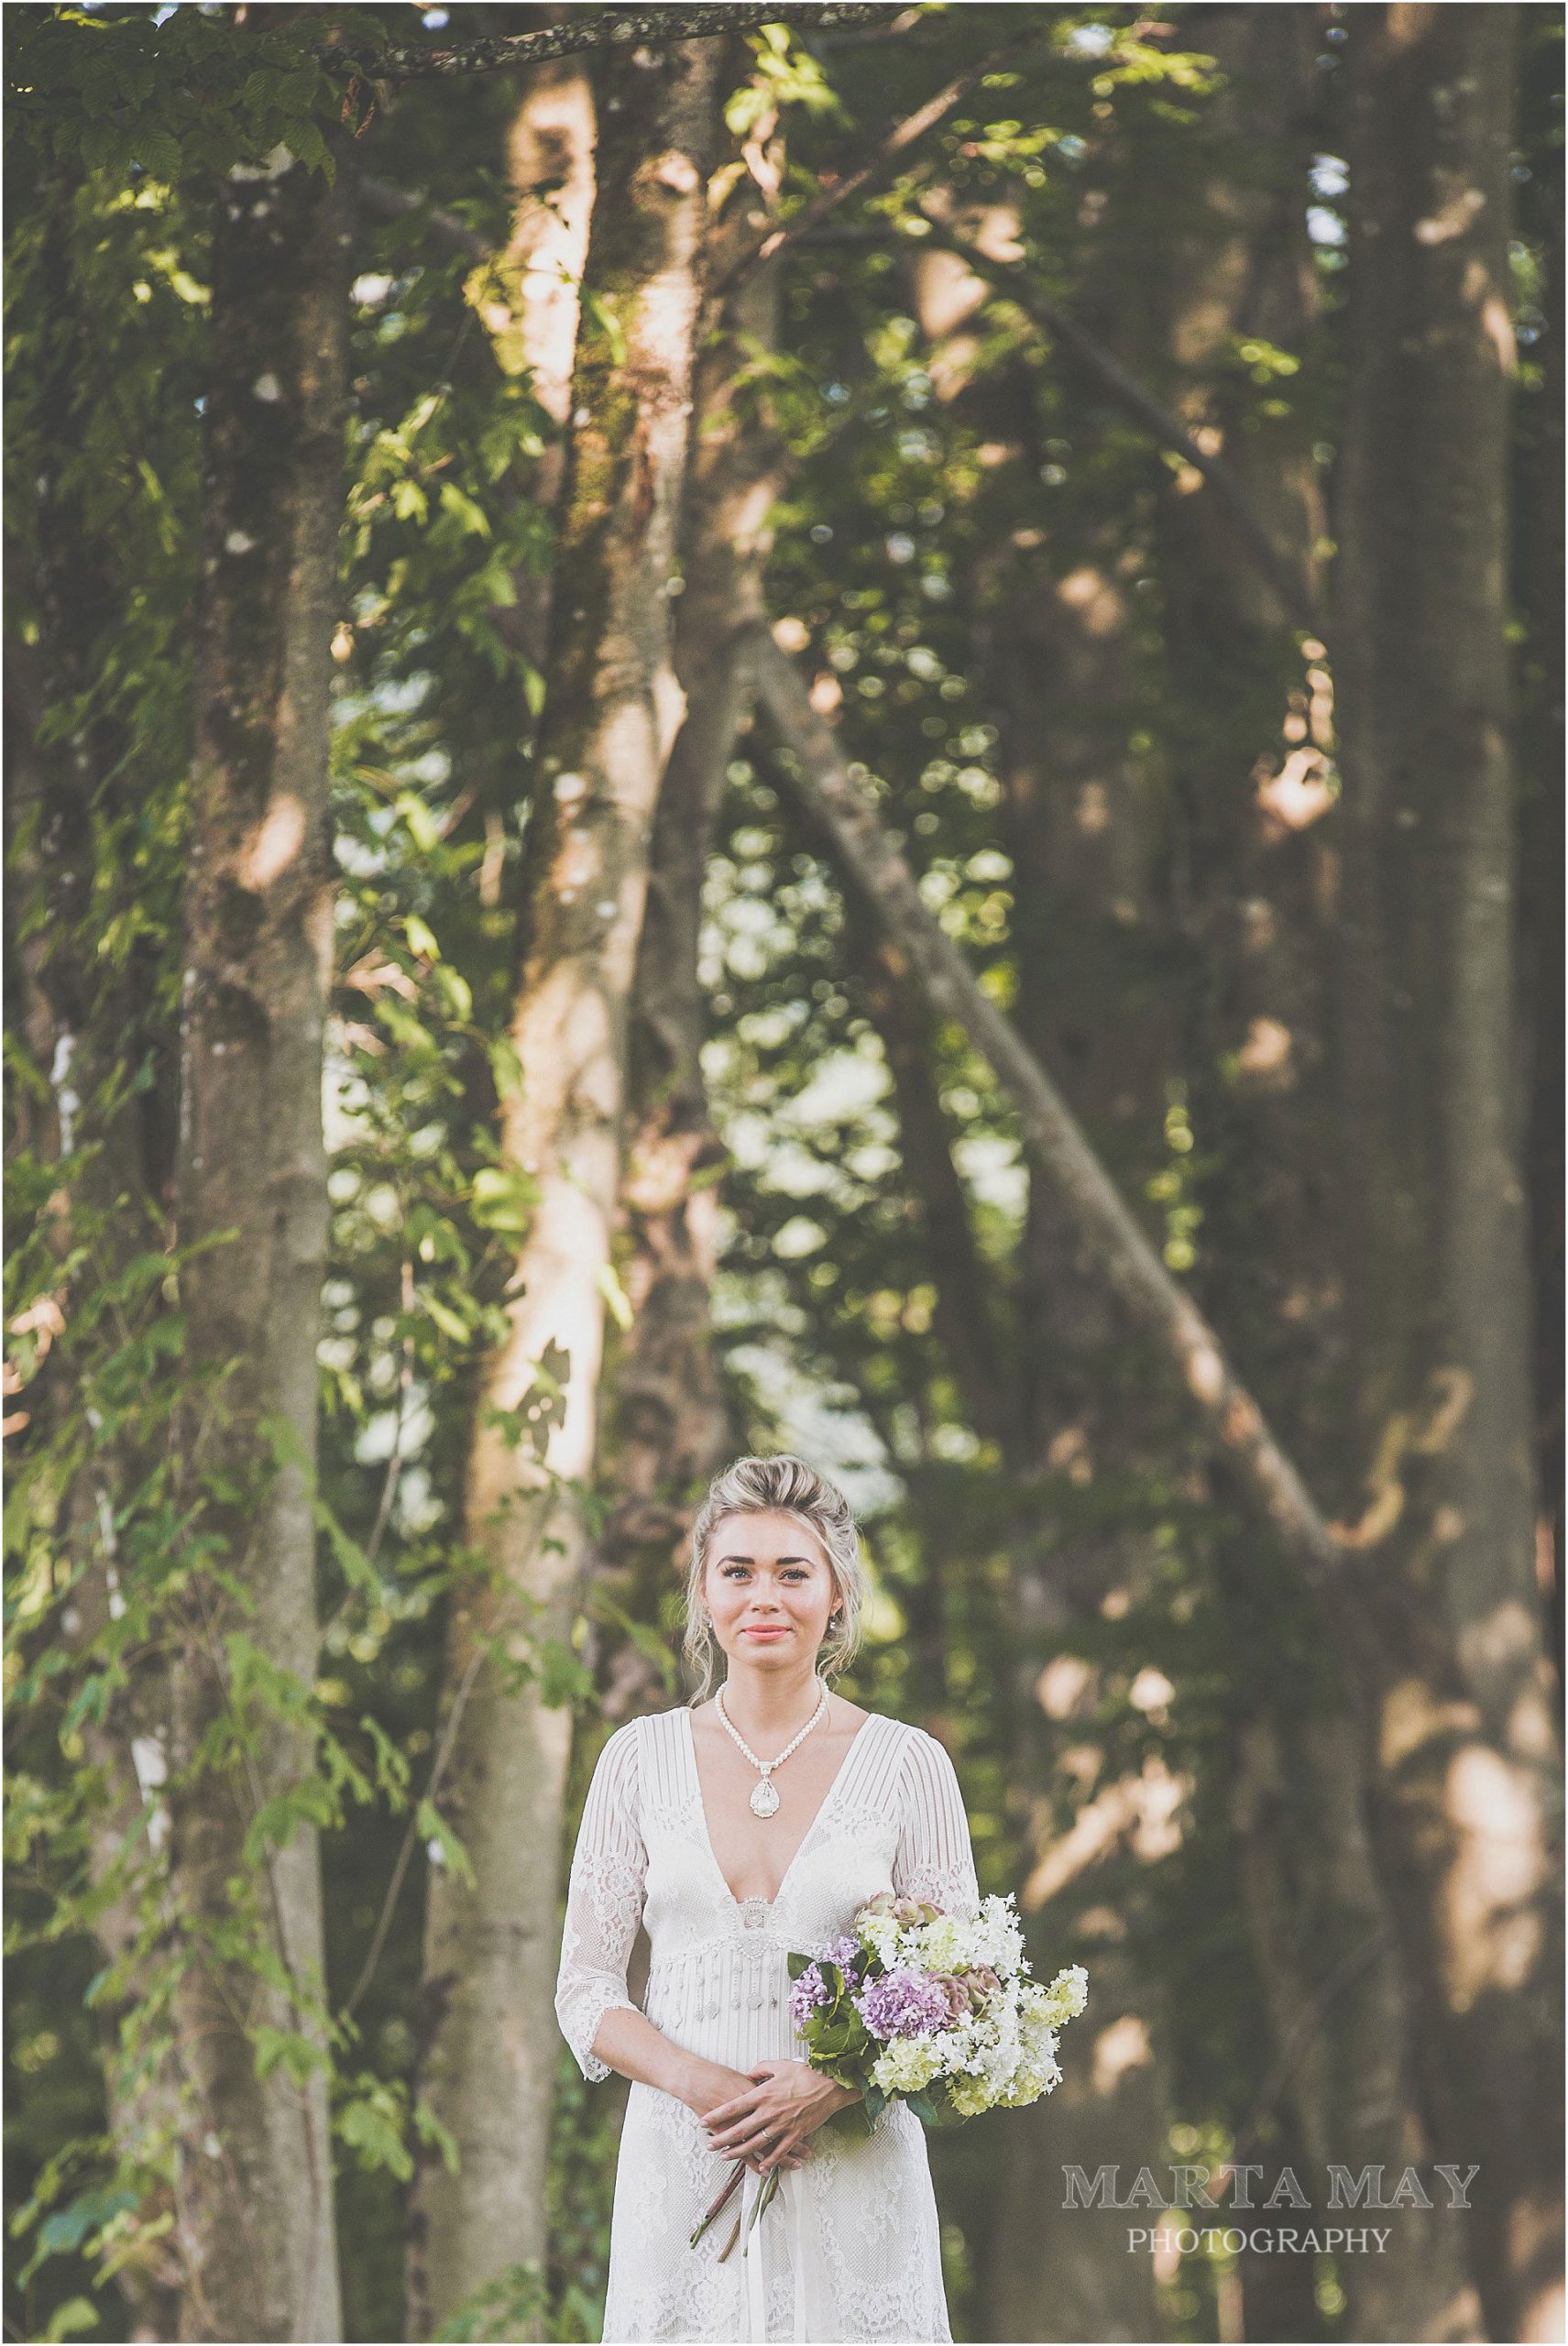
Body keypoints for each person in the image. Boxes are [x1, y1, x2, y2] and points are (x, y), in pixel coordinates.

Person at [554, 1453, 981, 2343]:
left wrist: (830, 2085)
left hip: (852, 2166)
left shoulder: (907, 1764)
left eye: (793, 1572)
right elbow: (585, 1991)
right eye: (737, 1571)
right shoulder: (638, 1759)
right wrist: (700, 2083)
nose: (765, 1596)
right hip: (683, 2169)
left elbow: (961, 1984)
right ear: (704, 1593)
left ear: (835, 1596)